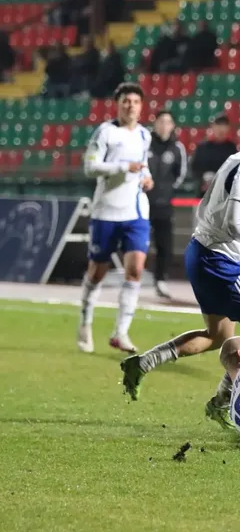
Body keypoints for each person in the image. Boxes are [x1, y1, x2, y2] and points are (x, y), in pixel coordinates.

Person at [120, 99, 240, 428]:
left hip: (202, 251)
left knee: (217, 336)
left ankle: (141, 364)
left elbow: (204, 207)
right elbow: (235, 218)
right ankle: (222, 401)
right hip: (219, 259)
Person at [77, 83, 153, 354]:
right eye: (126, 101)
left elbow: (143, 166)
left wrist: (147, 178)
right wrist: (123, 167)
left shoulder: (144, 135)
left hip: (136, 212)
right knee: (97, 272)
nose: (130, 106)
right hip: (106, 212)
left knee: (135, 270)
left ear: (141, 107)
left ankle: (121, 332)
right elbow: (90, 167)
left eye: (135, 101)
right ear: (118, 105)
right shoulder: (105, 132)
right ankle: (85, 323)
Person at [147, 110, 188, 299]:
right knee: (137, 241)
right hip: (142, 202)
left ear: (173, 126)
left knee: (165, 245)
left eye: (168, 122)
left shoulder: (177, 148)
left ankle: (160, 279)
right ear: (155, 124)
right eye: (161, 121)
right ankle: (133, 275)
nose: (164, 125)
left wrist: (166, 189)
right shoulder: (144, 143)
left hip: (164, 204)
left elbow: (181, 174)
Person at [190, 114, 239, 197]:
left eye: (223, 125)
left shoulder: (232, 149)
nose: (220, 129)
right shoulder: (202, 147)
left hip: (225, 195)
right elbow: (194, 168)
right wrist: (203, 179)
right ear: (212, 127)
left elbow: (236, 171)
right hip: (205, 194)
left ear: (228, 128)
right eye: (218, 125)